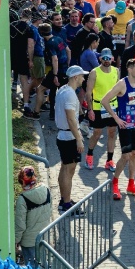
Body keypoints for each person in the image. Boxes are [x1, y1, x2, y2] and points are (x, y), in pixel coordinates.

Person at [101, 58, 135, 200]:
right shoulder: (122, 84)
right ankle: (115, 182)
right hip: (125, 126)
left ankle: (131, 185)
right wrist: (116, 118)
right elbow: (104, 100)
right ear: (130, 69)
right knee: (126, 156)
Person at [55, 65, 89, 213]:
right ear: (75, 77)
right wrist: (79, 139)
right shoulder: (69, 94)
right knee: (69, 171)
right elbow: (70, 118)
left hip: (63, 135)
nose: (83, 79)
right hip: (69, 137)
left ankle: (64, 200)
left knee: (65, 168)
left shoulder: (63, 90)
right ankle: (67, 205)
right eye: (82, 76)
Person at [84, 49, 119, 172]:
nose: (106, 60)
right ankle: (89, 156)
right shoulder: (94, 72)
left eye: (108, 58)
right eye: (104, 58)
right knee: (97, 133)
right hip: (98, 107)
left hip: (112, 106)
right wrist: (90, 109)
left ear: (112, 59)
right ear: (100, 59)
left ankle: (109, 160)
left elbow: (118, 89)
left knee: (112, 133)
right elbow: (88, 93)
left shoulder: (116, 71)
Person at [14, 166, 51, 266]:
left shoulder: (23, 199)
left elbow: (20, 225)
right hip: (43, 237)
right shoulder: (46, 189)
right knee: (43, 265)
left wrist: (15, 241)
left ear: (23, 181)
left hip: (29, 241)